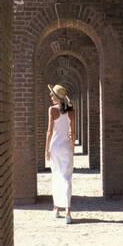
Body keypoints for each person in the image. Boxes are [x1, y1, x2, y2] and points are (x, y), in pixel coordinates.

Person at [45, 84, 75, 224]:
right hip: (66, 146)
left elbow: (49, 131)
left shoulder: (52, 110)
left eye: (52, 95)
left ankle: (56, 209)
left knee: (56, 175)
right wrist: (72, 147)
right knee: (67, 177)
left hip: (55, 146)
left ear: (57, 97)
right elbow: (73, 132)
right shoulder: (71, 111)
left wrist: (46, 149)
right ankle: (68, 212)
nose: (50, 97)